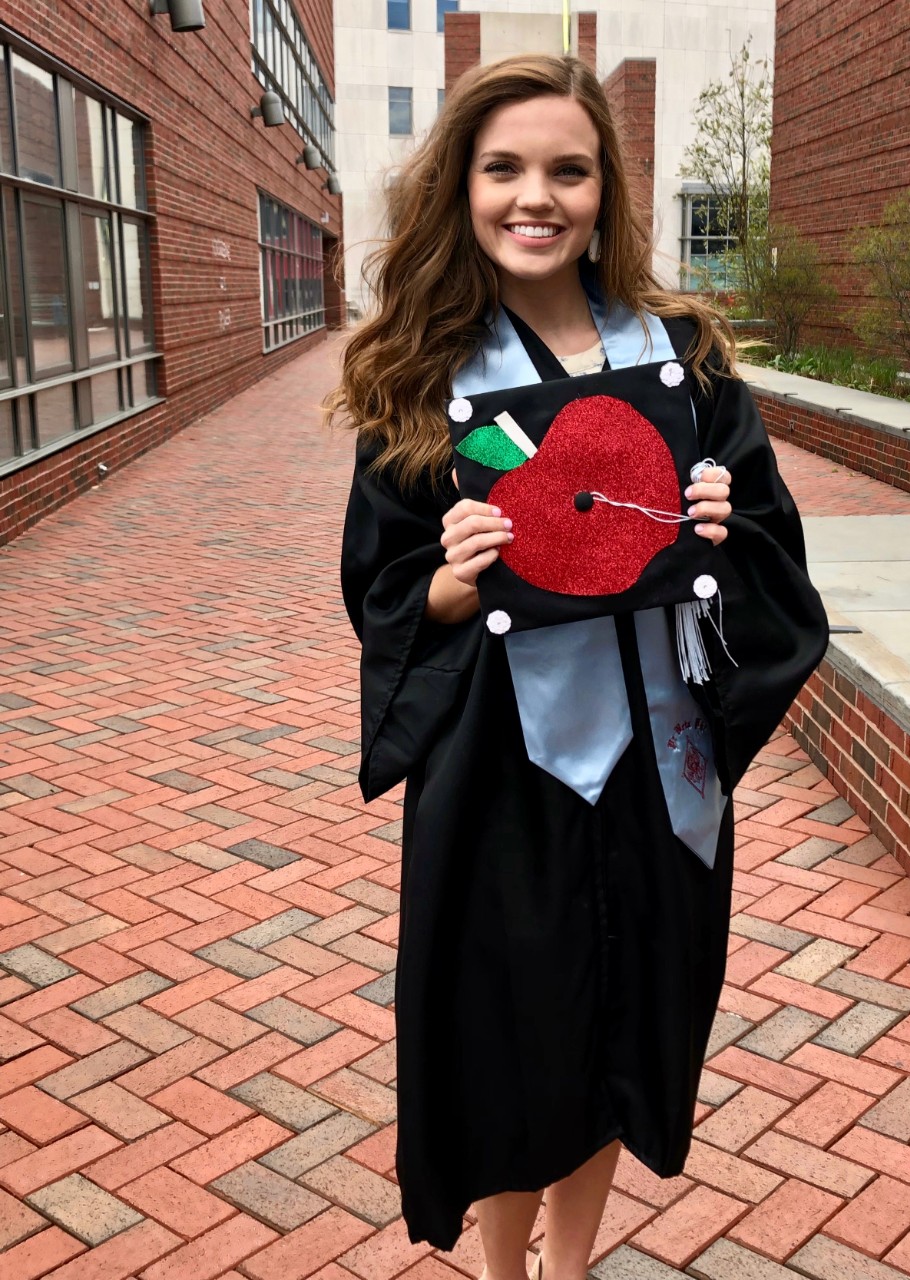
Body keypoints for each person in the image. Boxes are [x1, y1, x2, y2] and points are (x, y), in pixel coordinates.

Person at [335, 53, 827, 1280]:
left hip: (662, 774)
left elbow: (771, 566)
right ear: (463, 187)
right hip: (505, 774)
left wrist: (727, 526)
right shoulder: (426, 382)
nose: (534, 196)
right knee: (505, 1046)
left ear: (607, 188)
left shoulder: (686, 364)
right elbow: (384, 589)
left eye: (569, 168)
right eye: (503, 168)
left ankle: (572, 1266)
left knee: (618, 1030)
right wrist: (450, 581)